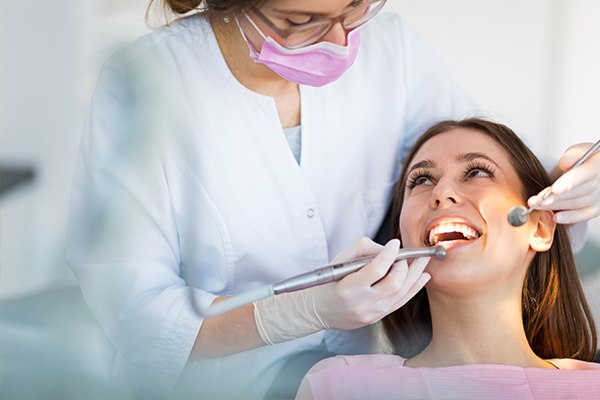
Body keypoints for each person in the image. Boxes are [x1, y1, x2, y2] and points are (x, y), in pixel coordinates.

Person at [65, 0, 600, 398]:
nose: (340, 41)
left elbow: (477, 157)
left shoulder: (392, 50)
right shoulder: (150, 85)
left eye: (355, 8)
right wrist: (293, 314)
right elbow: (138, 316)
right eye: (302, 21)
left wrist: (563, 176)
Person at [296, 118, 600, 400]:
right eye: (421, 180)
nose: (441, 192)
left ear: (540, 228)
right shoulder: (339, 386)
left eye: (477, 172)